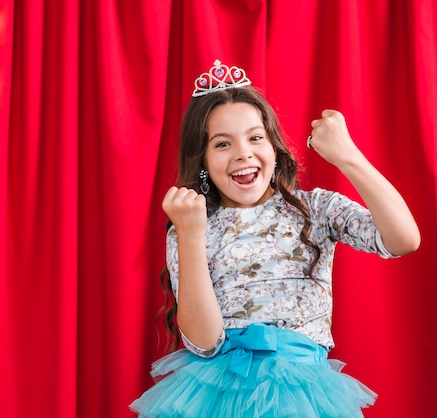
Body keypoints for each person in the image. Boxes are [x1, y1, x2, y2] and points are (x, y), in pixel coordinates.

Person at [130, 59, 420, 417]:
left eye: (255, 137)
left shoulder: (316, 209)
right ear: (202, 160)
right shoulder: (191, 226)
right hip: (219, 398)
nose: (243, 153)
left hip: (304, 397)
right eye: (222, 144)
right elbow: (203, 343)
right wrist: (190, 234)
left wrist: (349, 157)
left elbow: (403, 239)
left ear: (274, 146)